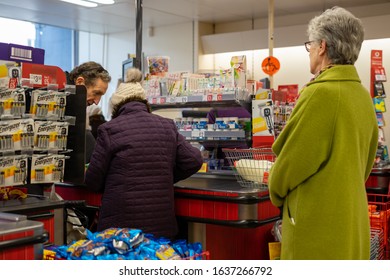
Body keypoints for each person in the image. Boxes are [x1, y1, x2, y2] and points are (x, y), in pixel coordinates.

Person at [268, 6, 378, 260]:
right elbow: (366, 164)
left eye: (311, 44)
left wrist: (275, 186)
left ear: (323, 47)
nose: (310, 52)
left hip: (318, 228)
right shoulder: (361, 96)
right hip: (351, 220)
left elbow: (290, 166)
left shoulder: (320, 93)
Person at [84, 67, 203, 239]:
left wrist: (114, 179)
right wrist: (166, 175)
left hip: (121, 229)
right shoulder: (167, 125)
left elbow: (93, 181)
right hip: (161, 225)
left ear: (116, 107)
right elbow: (194, 159)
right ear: (145, 103)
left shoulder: (109, 129)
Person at [67, 61, 112, 162]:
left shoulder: (75, 105)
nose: (97, 102)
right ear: (79, 82)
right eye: (96, 93)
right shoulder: (64, 103)